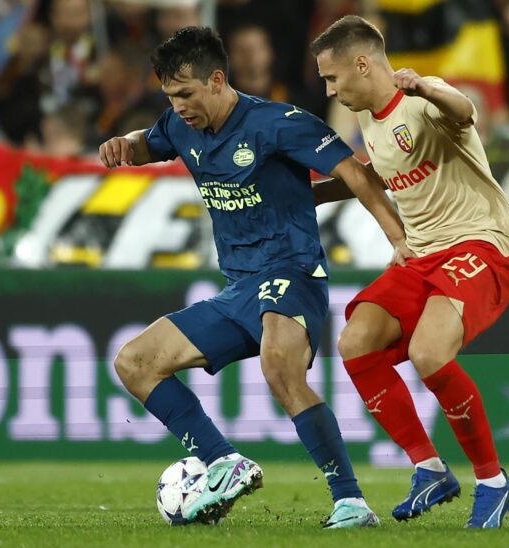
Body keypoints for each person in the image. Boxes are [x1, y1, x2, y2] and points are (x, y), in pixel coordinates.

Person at [98, 26, 407, 528]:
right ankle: (223, 462)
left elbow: (356, 174)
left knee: (279, 366)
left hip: (292, 272)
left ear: (217, 80)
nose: (178, 106)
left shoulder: (279, 123)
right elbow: (146, 143)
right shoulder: (179, 126)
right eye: (170, 96)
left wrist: (397, 238)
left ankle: (350, 501)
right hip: (238, 287)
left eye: (186, 94)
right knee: (134, 362)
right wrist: (124, 144)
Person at [311, 15, 509, 528]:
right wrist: (301, 195)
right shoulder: (370, 119)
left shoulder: (423, 98)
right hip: (423, 254)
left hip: (481, 243)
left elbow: (465, 111)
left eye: (333, 78)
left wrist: (427, 87)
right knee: (356, 342)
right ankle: (430, 469)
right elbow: (375, 175)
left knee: (429, 353)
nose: (330, 90)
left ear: (363, 64)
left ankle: (493, 483)